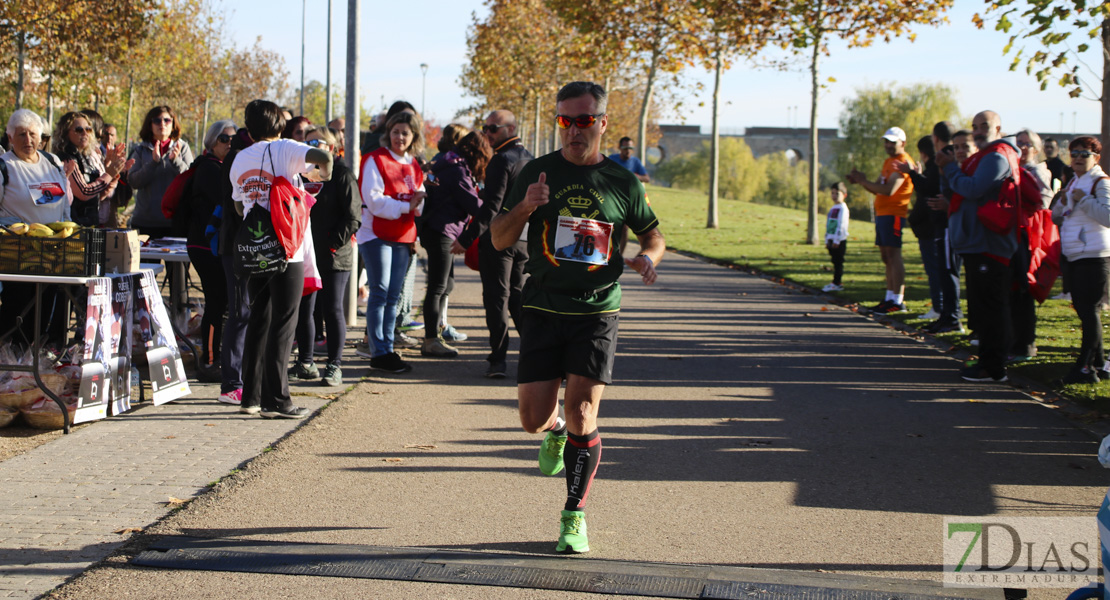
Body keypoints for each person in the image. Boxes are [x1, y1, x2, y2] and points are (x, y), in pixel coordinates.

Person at [491, 81, 665, 554]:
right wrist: (527, 205)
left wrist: (651, 257)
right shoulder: (538, 172)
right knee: (533, 418)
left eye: (584, 120)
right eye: (565, 121)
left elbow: (654, 236)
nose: (573, 130)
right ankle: (551, 434)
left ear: (602, 123)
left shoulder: (623, 182)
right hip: (544, 307)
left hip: (597, 310)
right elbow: (499, 239)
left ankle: (573, 515)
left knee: (583, 412)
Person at [228, 99, 333, 419]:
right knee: (284, 325)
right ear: (279, 126)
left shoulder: (239, 158)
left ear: (249, 128)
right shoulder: (286, 148)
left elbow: (237, 205)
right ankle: (279, 401)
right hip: (287, 248)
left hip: (255, 250)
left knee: (258, 321)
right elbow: (323, 155)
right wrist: (322, 174)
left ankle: (250, 398)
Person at [938, 110, 1021, 383]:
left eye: (984, 126)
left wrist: (950, 168)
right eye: (975, 127)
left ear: (998, 127)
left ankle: (993, 367)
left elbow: (973, 189)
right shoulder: (986, 156)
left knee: (992, 307)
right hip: (979, 243)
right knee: (985, 307)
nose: (978, 131)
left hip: (989, 242)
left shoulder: (997, 156)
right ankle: (987, 361)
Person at [454, 109, 534, 378]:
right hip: (523, 238)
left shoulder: (502, 160)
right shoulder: (532, 160)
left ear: (511, 129)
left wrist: (466, 239)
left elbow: (491, 207)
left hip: (499, 239)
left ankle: (498, 360)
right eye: (485, 128)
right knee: (518, 296)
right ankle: (536, 355)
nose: (487, 134)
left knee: (497, 299)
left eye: (493, 129)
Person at [353, 111, 426, 373]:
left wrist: (417, 202)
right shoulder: (375, 159)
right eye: (395, 131)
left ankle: (388, 347)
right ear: (388, 133)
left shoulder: (414, 164)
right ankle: (379, 351)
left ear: (413, 136)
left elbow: (418, 202)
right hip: (376, 234)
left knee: (393, 296)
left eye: (405, 132)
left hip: (403, 235)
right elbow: (373, 200)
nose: (400, 137)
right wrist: (408, 205)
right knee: (380, 292)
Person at [289, 126, 360, 386]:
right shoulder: (300, 175)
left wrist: (331, 245)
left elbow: (353, 217)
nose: (313, 147)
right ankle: (305, 363)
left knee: (332, 310)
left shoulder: (341, 174)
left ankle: (334, 365)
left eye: (318, 143)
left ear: (331, 147)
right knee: (305, 310)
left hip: (334, 255)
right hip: (305, 254)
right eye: (308, 143)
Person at [0, 109, 71, 347]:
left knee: (47, 311)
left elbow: (63, 209)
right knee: (18, 312)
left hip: (53, 252)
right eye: (21, 134)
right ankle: (14, 363)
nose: (28, 140)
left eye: (32, 134)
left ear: (41, 138)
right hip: (17, 254)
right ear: (10, 138)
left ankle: (40, 363)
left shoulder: (52, 163)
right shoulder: (5, 167)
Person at [420, 131, 491, 358]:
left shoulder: (447, 164)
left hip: (438, 229)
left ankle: (436, 333)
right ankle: (431, 339)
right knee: (438, 286)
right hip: (442, 230)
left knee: (445, 285)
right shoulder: (457, 171)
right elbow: (475, 205)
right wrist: (494, 210)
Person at [1051, 136, 1110, 384]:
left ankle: (1084, 368)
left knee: (1089, 312)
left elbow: (1107, 216)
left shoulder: (1100, 182)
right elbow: (1058, 217)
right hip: (1076, 255)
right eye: (1073, 153)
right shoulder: (1075, 181)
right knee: (1086, 310)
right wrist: (1063, 203)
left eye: (1084, 154)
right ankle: (1098, 363)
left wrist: (1083, 199)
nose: (1077, 158)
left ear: (1095, 158)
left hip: (1095, 256)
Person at [179, 120, 236, 378]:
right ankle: (210, 361)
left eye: (234, 139)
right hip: (205, 245)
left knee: (220, 302)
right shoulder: (210, 169)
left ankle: (214, 358)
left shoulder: (219, 167)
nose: (229, 143)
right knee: (216, 302)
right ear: (212, 142)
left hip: (211, 244)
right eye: (224, 139)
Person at [848, 126, 915, 314]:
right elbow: (878, 187)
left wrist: (863, 181)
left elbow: (889, 190)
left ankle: (898, 299)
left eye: (892, 142)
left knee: (894, 255)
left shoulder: (902, 163)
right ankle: (889, 297)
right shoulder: (889, 162)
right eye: (886, 142)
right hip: (883, 213)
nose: (888, 145)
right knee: (886, 256)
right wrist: (861, 180)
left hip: (894, 214)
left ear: (902, 143)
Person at [51, 111, 130, 227]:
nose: (85, 133)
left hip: (91, 223)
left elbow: (98, 195)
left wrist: (114, 174)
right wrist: (109, 174)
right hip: (73, 226)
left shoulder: (85, 156)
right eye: (79, 130)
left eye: (88, 129)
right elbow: (84, 192)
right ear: (65, 133)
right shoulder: (67, 158)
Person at [128, 106, 194, 238]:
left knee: (177, 260)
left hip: (176, 221)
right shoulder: (140, 150)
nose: (162, 124)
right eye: (157, 120)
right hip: (145, 222)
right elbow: (134, 182)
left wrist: (176, 162)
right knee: (145, 260)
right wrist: (153, 163)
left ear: (173, 124)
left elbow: (191, 180)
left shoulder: (182, 147)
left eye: (167, 120)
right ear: (150, 125)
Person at [901, 136, 942, 320]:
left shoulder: (936, 169)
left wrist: (913, 174)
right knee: (936, 269)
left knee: (935, 270)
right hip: (928, 228)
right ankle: (939, 306)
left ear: (923, 153)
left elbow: (927, 194)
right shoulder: (933, 170)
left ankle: (939, 307)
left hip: (929, 229)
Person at [822, 182, 849, 292]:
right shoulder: (834, 208)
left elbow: (842, 225)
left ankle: (837, 283)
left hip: (839, 240)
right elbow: (830, 224)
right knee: (834, 261)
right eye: (832, 193)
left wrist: (837, 239)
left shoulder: (843, 208)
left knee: (838, 262)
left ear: (844, 195)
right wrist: (827, 238)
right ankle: (834, 282)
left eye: (837, 193)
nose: (834, 196)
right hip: (831, 239)